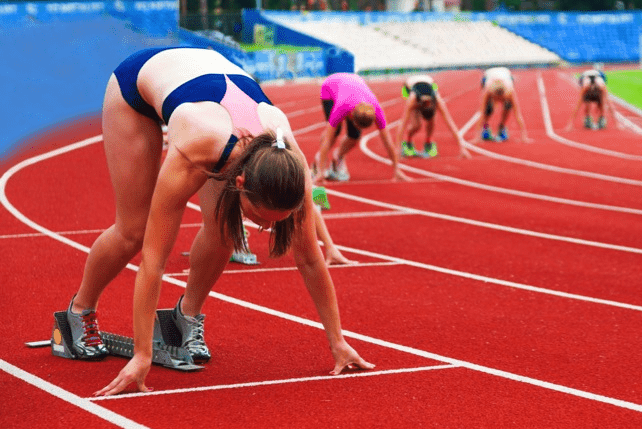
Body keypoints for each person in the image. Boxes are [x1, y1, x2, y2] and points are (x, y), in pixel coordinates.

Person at [62, 46, 372, 397]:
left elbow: (310, 260)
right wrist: (142, 354)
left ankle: (183, 319)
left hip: (211, 90)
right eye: (261, 219)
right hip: (137, 86)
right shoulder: (195, 149)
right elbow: (153, 261)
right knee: (133, 231)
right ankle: (79, 311)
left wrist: (338, 342)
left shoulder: (292, 169)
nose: (267, 229)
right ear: (239, 183)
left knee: (225, 233)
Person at [313, 72, 408, 182]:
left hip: (352, 85)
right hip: (330, 86)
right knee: (335, 131)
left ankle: (338, 157)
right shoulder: (342, 107)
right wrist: (321, 171)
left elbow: (387, 141)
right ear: (351, 116)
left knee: (355, 136)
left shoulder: (376, 109)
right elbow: (328, 137)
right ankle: (318, 159)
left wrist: (397, 169)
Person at [396, 74, 470, 159]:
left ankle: (428, 143)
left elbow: (449, 122)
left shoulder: (437, 100)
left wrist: (462, 147)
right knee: (416, 125)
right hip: (407, 88)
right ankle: (407, 143)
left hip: (431, 84)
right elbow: (403, 123)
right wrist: (397, 150)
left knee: (432, 122)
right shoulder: (412, 100)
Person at [475, 66, 530, 142]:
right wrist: (476, 137)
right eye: (497, 99)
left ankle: (502, 127)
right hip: (488, 76)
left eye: (501, 99)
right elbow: (481, 112)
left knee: (508, 106)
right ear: (493, 95)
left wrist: (524, 136)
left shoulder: (510, 92)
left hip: (506, 76)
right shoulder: (487, 91)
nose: (498, 101)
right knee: (488, 108)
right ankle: (485, 126)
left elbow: (517, 113)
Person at [565, 65, 615, 130]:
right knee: (587, 104)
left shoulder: (602, 87)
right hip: (584, 77)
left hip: (599, 77)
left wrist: (617, 123)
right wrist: (570, 123)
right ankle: (587, 118)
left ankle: (602, 117)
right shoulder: (585, 88)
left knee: (601, 103)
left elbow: (609, 104)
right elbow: (577, 106)